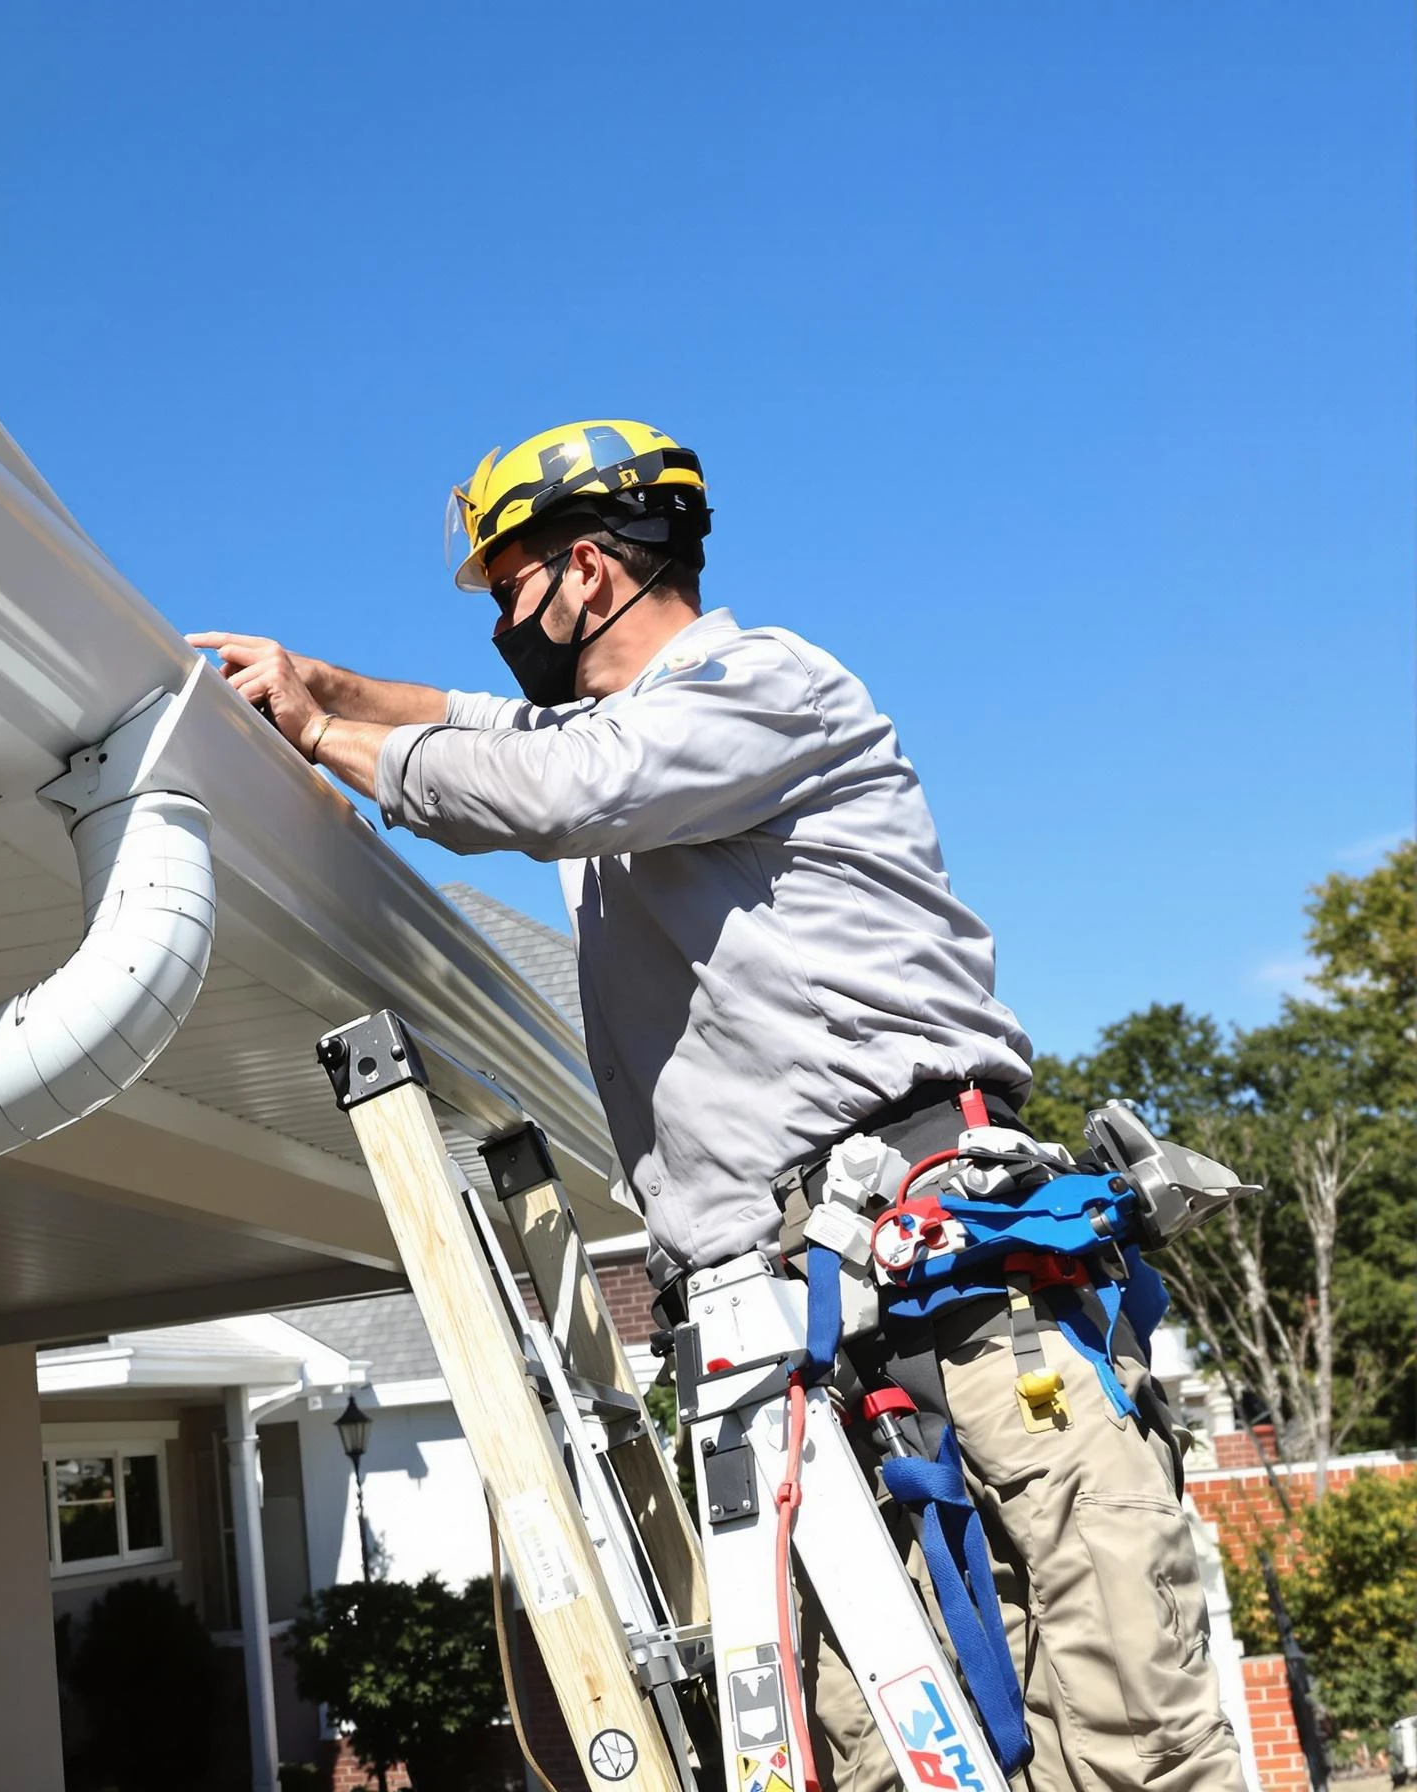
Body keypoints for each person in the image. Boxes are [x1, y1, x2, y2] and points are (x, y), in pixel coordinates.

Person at [191, 419, 1245, 1792]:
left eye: (508, 585)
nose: (503, 620)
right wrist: (324, 685)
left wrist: (332, 733)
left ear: (586, 569)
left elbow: (565, 778)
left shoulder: (757, 686)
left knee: (1119, 1716)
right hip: (783, 1315)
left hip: (941, 1275)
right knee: (856, 1749)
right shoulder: (635, 735)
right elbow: (499, 727)